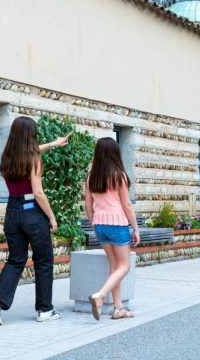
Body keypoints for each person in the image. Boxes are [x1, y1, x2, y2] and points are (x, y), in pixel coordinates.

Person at [0, 116, 70, 325]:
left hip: (12, 212)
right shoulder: (33, 159)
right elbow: (38, 193)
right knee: (44, 260)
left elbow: (33, 150)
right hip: (32, 212)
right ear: (31, 134)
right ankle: (44, 310)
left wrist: (53, 144)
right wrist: (51, 216)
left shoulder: (8, 157)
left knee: (16, 259)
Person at [84, 137, 140, 321]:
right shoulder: (119, 176)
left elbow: (88, 204)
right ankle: (100, 295)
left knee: (115, 266)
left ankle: (118, 308)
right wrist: (135, 228)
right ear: (115, 153)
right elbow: (127, 204)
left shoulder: (91, 177)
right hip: (117, 225)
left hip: (100, 226)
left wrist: (94, 223)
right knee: (125, 266)